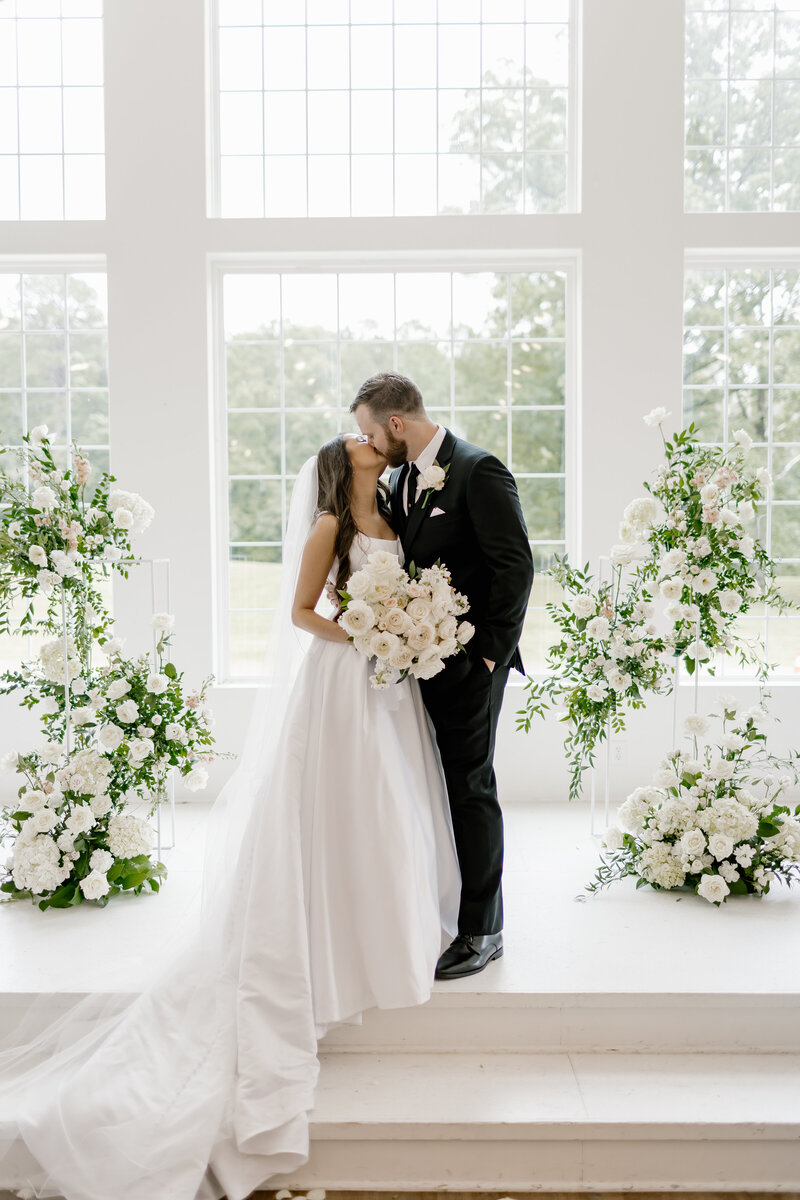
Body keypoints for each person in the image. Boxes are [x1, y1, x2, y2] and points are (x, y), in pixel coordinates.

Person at [0, 433, 461, 1200]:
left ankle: (373, 926)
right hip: (341, 684)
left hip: (385, 686)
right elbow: (300, 613)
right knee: (340, 804)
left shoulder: (391, 518)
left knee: (387, 809)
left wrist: (409, 630)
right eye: (360, 440)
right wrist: (367, 631)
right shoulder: (330, 530)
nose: (372, 442)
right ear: (343, 464)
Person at [352, 372, 534, 981]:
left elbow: (516, 567)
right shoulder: (402, 478)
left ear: (396, 424)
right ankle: (441, 906)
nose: (369, 443)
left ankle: (485, 930)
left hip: (472, 664)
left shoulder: (479, 471)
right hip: (418, 662)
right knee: (431, 784)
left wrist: (488, 655)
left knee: (470, 786)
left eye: (371, 432)